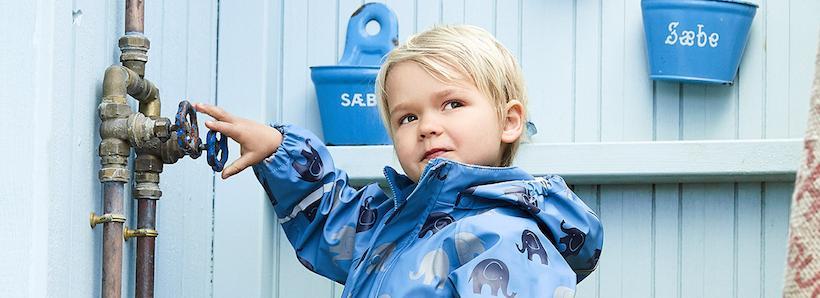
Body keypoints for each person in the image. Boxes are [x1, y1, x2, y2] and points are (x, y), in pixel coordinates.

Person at [194, 25, 602, 297]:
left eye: (452, 104)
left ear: (509, 121)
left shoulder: (506, 238)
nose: (427, 126)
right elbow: (328, 220)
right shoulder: (388, 222)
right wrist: (277, 148)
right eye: (407, 117)